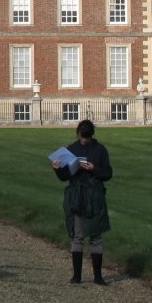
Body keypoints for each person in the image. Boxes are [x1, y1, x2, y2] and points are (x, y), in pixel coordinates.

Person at [51, 119, 113, 285]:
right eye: (82, 137)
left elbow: (108, 173)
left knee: (96, 235)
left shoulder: (100, 150)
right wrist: (57, 169)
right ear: (78, 134)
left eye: (87, 137)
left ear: (91, 135)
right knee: (77, 236)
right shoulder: (72, 149)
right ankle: (77, 275)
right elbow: (65, 177)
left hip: (94, 195)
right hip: (77, 195)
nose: (84, 140)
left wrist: (94, 169)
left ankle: (98, 276)